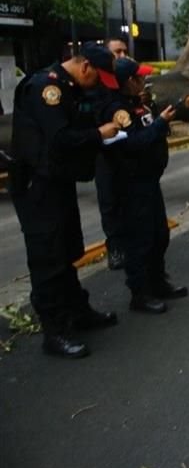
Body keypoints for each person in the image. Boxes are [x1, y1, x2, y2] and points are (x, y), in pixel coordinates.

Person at [9, 43, 123, 358]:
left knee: (67, 250)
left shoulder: (69, 87)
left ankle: (77, 311)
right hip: (38, 186)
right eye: (97, 78)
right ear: (85, 66)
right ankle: (55, 331)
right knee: (48, 258)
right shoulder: (46, 88)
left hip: (58, 181)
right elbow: (59, 139)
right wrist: (98, 134)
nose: (97, 85)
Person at [100, 58, 188, 314]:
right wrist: (160, 123)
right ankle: (140, 293)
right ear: (129, 81)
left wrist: (159, 118)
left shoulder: (139, 104)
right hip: (131, 185)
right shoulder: (118, 111)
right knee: (140, 240)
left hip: (149, 180)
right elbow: (133, 144)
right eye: (139, 77)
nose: (144, 81)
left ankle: (158, 281)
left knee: (159, 235)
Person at [95, 37, 130, 270]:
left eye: (124, 51)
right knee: (109, 201)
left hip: (127, 150)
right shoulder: (97, 85)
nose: (122, 56)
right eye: (117, 52)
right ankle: (115, 247)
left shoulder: (125, 81)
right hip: (105, 152)